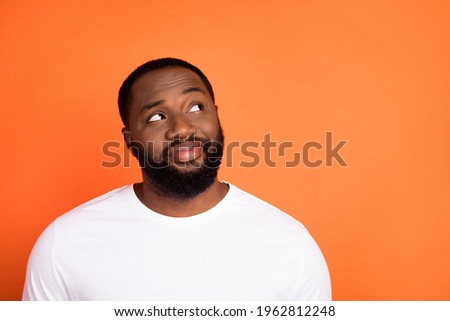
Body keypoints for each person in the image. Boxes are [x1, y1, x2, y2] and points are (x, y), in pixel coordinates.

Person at [22, 58, 331, 300]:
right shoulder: (64, 244)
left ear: (216, 116)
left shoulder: (291, 245)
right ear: (130, 140)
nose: (182, 128)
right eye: (157, 116)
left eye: (196, 107)